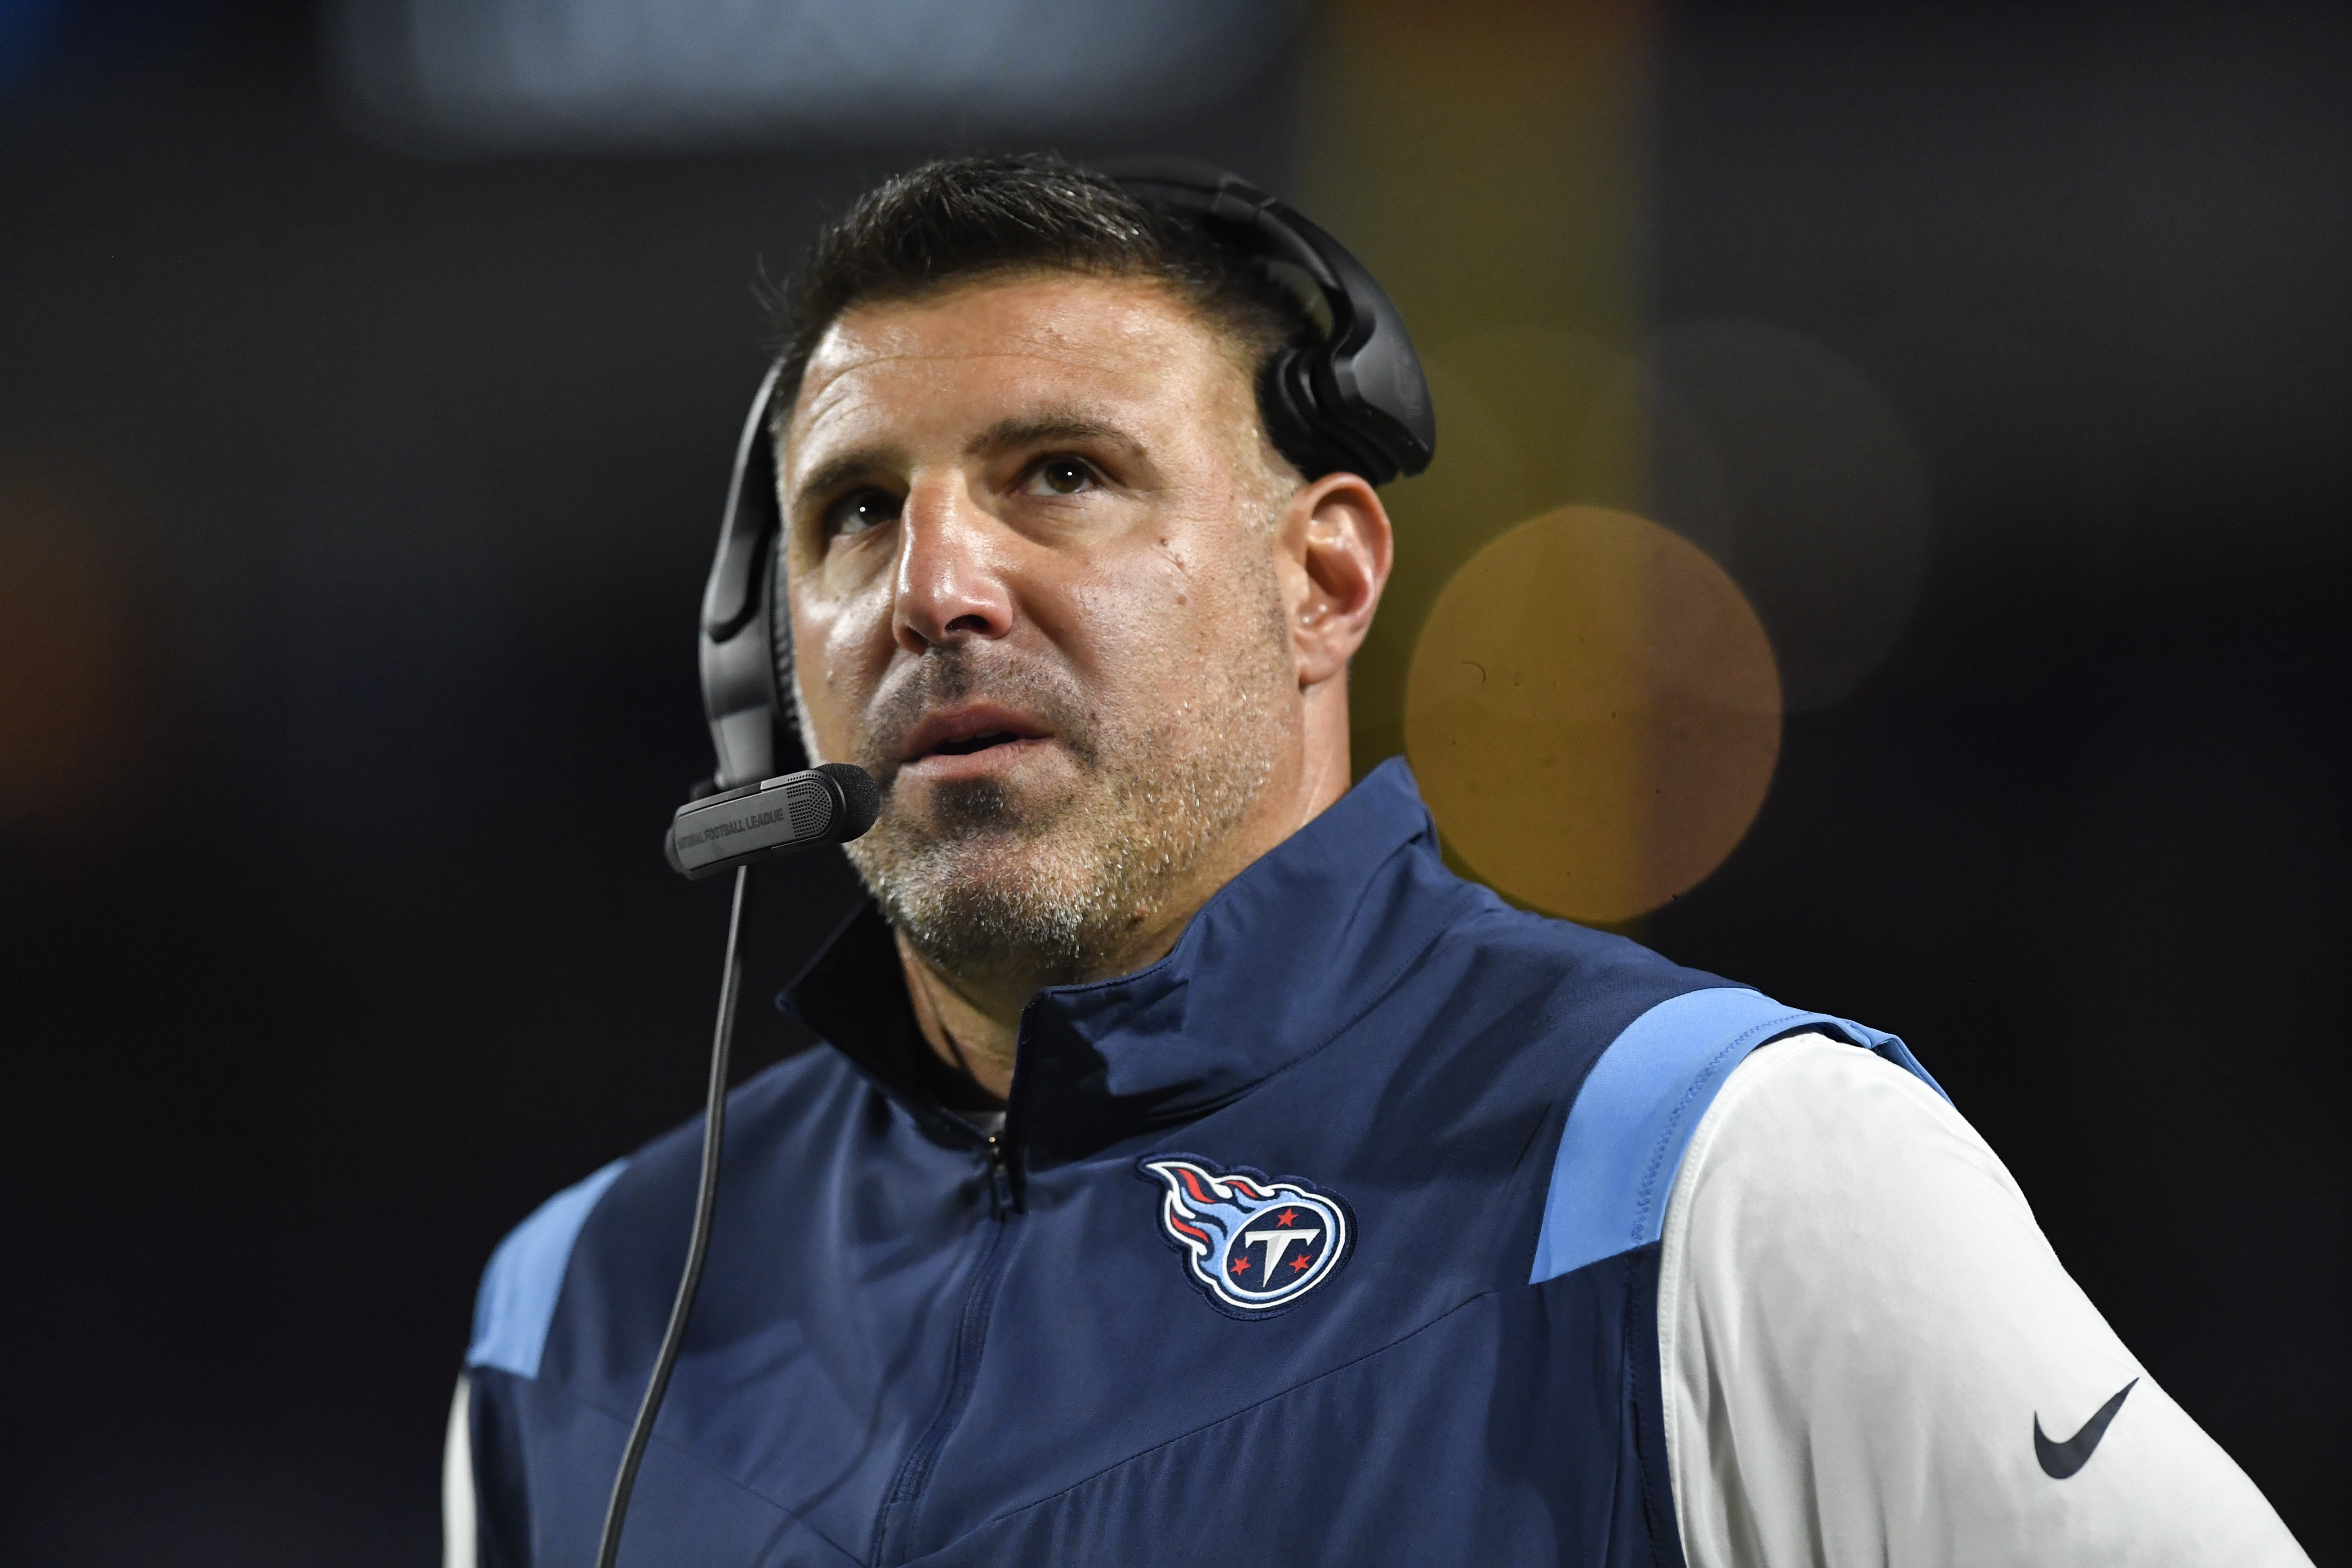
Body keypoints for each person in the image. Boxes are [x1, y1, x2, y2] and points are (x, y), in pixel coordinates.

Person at [444, 155, 2310, 1568]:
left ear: (1324, 576)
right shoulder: (587, 1310)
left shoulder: (1715, 1175)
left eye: (1061, 476)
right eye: (857, 513)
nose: (934, 586)